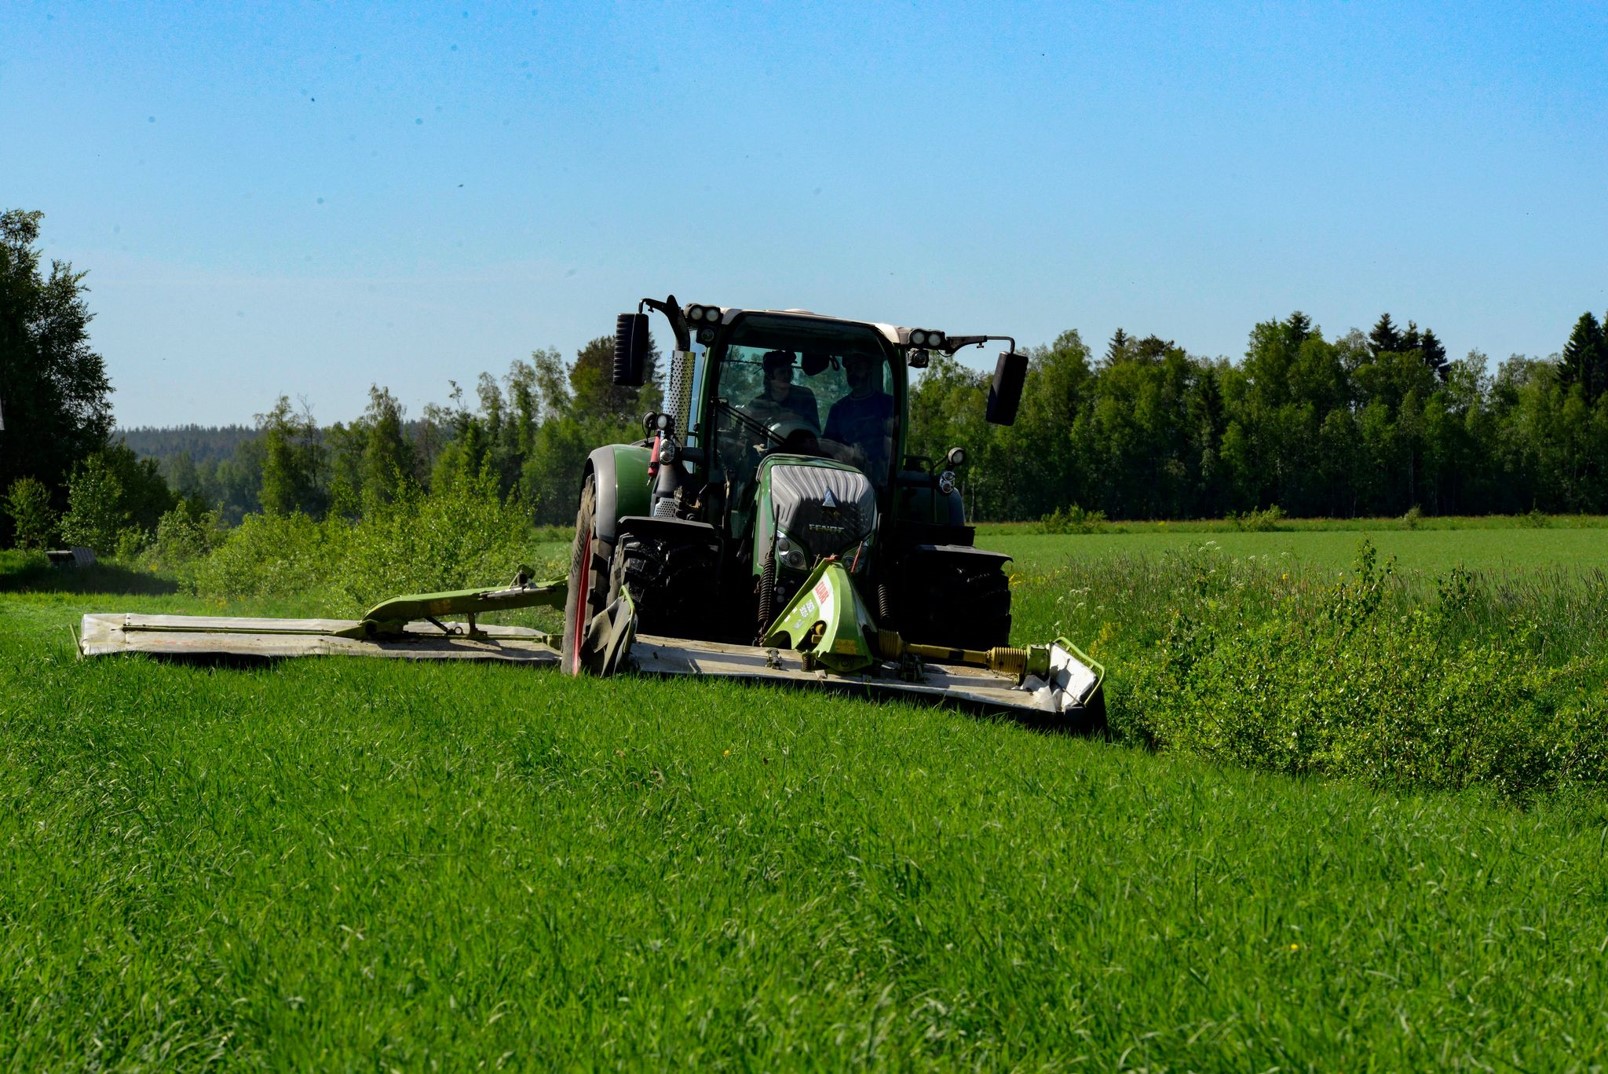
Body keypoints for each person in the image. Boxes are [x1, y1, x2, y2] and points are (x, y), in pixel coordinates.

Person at [824, 351, 894, 480]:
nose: (853, 373)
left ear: (869, 370)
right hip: (846, 474)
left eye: (858, 368)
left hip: (882, 476)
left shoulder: (888, 404)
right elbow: (828, 446)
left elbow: (893, 440)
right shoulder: (838, 408)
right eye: (849, 369)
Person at [745, 350, 819, 429]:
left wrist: (797, 419)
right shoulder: (757, 404)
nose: (787, 375)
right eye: (782, 372)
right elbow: (749, 434)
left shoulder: (804, 396)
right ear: (770, 375)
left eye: (789, 371)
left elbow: (814, 429)